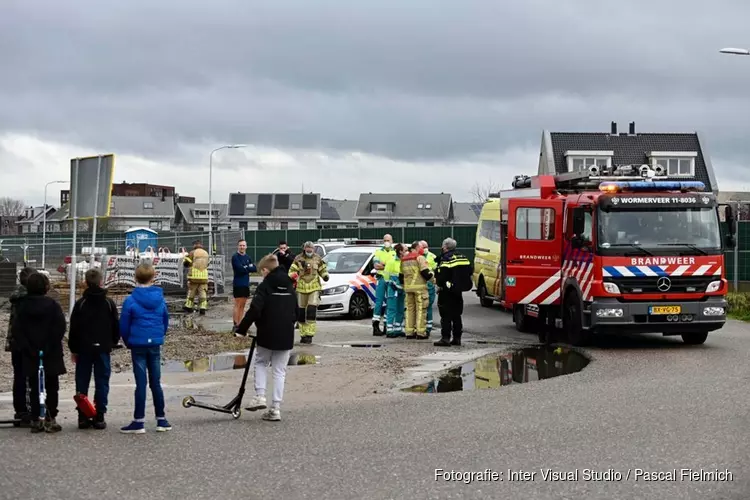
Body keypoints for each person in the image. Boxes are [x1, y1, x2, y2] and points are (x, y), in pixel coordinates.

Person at [235, 254, 297, 421]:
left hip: (267, 331)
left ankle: (260, 395)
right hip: (286, 333)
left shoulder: (266, 285)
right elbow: (296, 310)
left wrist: (241, 329)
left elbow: (255, 309)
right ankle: (275, 408)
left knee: (261, 362)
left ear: (265, 270)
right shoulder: (290, 284)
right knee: (279, 371)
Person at [119, 263, 171, 434]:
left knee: (140, 383)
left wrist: (128, 341)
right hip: (155, 342)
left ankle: (139, 421)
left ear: (135, 278)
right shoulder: (160, 299)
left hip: (138, 343)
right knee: (156, 382)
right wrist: (158, 335)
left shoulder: (131, 300)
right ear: (153, 277)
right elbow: (165, 320)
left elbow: (124, 325)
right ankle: (161, 419)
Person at [12, 273, 67, 433]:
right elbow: (59, 327)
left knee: (34, 386)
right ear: (46, 287)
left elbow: (17, 330)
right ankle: (51, 417)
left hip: (30, 353)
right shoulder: (53, 305)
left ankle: (36, 418)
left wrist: (28, 348)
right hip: (51, 352)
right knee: (52, 385)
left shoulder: (22, 306)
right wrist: (49, 346)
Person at [68, 268, 120, 429]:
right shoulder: (108, 303)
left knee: (82, 381)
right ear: (101, 281)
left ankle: (83, 415)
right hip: (103, 348)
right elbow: (115, 326)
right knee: (102, 381)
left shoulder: (81, 304)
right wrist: (112, 342)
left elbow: (74, 328)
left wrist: (73, 348)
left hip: (84, 348)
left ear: (85, 283)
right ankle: (99, 415)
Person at [6, 266, 35, 427]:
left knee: (18, 377)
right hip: (29, 343)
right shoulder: (30, 299)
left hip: (15, 343)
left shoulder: (16, 297)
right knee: (31, 377)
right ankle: (31, 409)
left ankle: (20, 410)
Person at [433, 238, 473, 347]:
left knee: (445, 316)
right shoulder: (463, 257)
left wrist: (440, 285)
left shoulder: (446, 259)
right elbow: (470, 270)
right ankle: (457, 338)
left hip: (446, 291)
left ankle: (445, 338)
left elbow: (442, 276)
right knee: (457, 315)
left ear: (445, 247)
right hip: (458, 291)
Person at [288, 241, 329, 344]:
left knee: (311, 310)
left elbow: (322, 269)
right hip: (301, 288)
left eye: (311, 249)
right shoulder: (298, 258)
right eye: (307, 248)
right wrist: (293, 275)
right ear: (304, 249)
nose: (309, 250)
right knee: (301, 313)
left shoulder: (318, 259)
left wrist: (325, 275)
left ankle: (310, 334)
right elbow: (291, 271)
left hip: (314, 287)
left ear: (314, 249)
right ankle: (303, 334)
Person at [400, 241, 434, 339]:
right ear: (416, 248)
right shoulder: (420, 258)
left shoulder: (404, 259)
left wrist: (404, 286)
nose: (422, 249)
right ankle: (420, 332)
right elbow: (425, 273)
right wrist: (434, 280)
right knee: (421, 310)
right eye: (421, 247)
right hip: (420, 288)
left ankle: (409, 332)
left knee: (410, 310)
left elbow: (401, 276)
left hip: (408, 289)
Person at [371, 234, 396, 336]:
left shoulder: (394, 252)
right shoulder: (378, 252)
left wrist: (384, 265)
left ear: (392, 241)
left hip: (391, 280)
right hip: (381, 279)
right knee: (379, 303)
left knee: (390, 303)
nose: (386, 242)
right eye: (385, 240)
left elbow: (395, 266)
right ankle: (376, 326)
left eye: (388, 240)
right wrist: (388, 266)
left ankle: (387, 325)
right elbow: (376, 266)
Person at [231, 239, 257, 333]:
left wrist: (246, 267)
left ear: (246, 246)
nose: (242, 247)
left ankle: (240, 323)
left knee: (243, 305)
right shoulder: (235, 257)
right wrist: (247, 267)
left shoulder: (247, 257)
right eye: (240, 245)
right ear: (238, 246)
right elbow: (240, 269)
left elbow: (254, 268)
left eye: (243, 245)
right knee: (238, 304)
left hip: (246, 284)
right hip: (238, 283)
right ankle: (235, 324)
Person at [383, 244, 406, 338]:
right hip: (393, 288)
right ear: (400, 251)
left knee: (400, 309)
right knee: (391, 309)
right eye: (405, 250)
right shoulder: (392, 261)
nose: (407, 251)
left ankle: (398, 328)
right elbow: (386, 277)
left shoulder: (405, 261)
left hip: (402, 289)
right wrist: (392, 285)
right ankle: (389, 330)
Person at [183, 240, 210, 315]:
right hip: (204, 276)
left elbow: (186, 263)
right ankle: (203, 308)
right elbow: (207, 264)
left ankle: (188, 306)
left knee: (191, 291)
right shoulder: (206, 253)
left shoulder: (192, 252)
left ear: (195, 245)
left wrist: (186, 262)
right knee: (203, 292)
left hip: (194, 277)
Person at [419, 240, 438, 336]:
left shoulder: (432, 257)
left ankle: (428, 327)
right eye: (423, 247)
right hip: (420, 285)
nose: (425, 248)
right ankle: (420, 326)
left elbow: (437, 269)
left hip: (429, 285)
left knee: (428, 306)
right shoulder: (417, 257)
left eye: (426, 246)